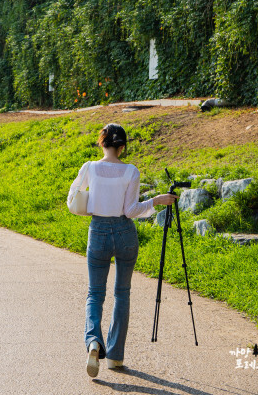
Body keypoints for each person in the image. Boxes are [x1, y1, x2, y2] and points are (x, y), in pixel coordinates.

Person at [67, 122, 177, 378]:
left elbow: (73, 196)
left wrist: (91, 199)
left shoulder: (89, 168)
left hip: (98, 233)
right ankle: (115, 357)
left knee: (95, 293)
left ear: (101, 142)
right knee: (122, 294)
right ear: (122, 147)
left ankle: (94, 342)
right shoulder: (131, 171)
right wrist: (155, 201)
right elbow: (130, 211)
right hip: (125, 234)